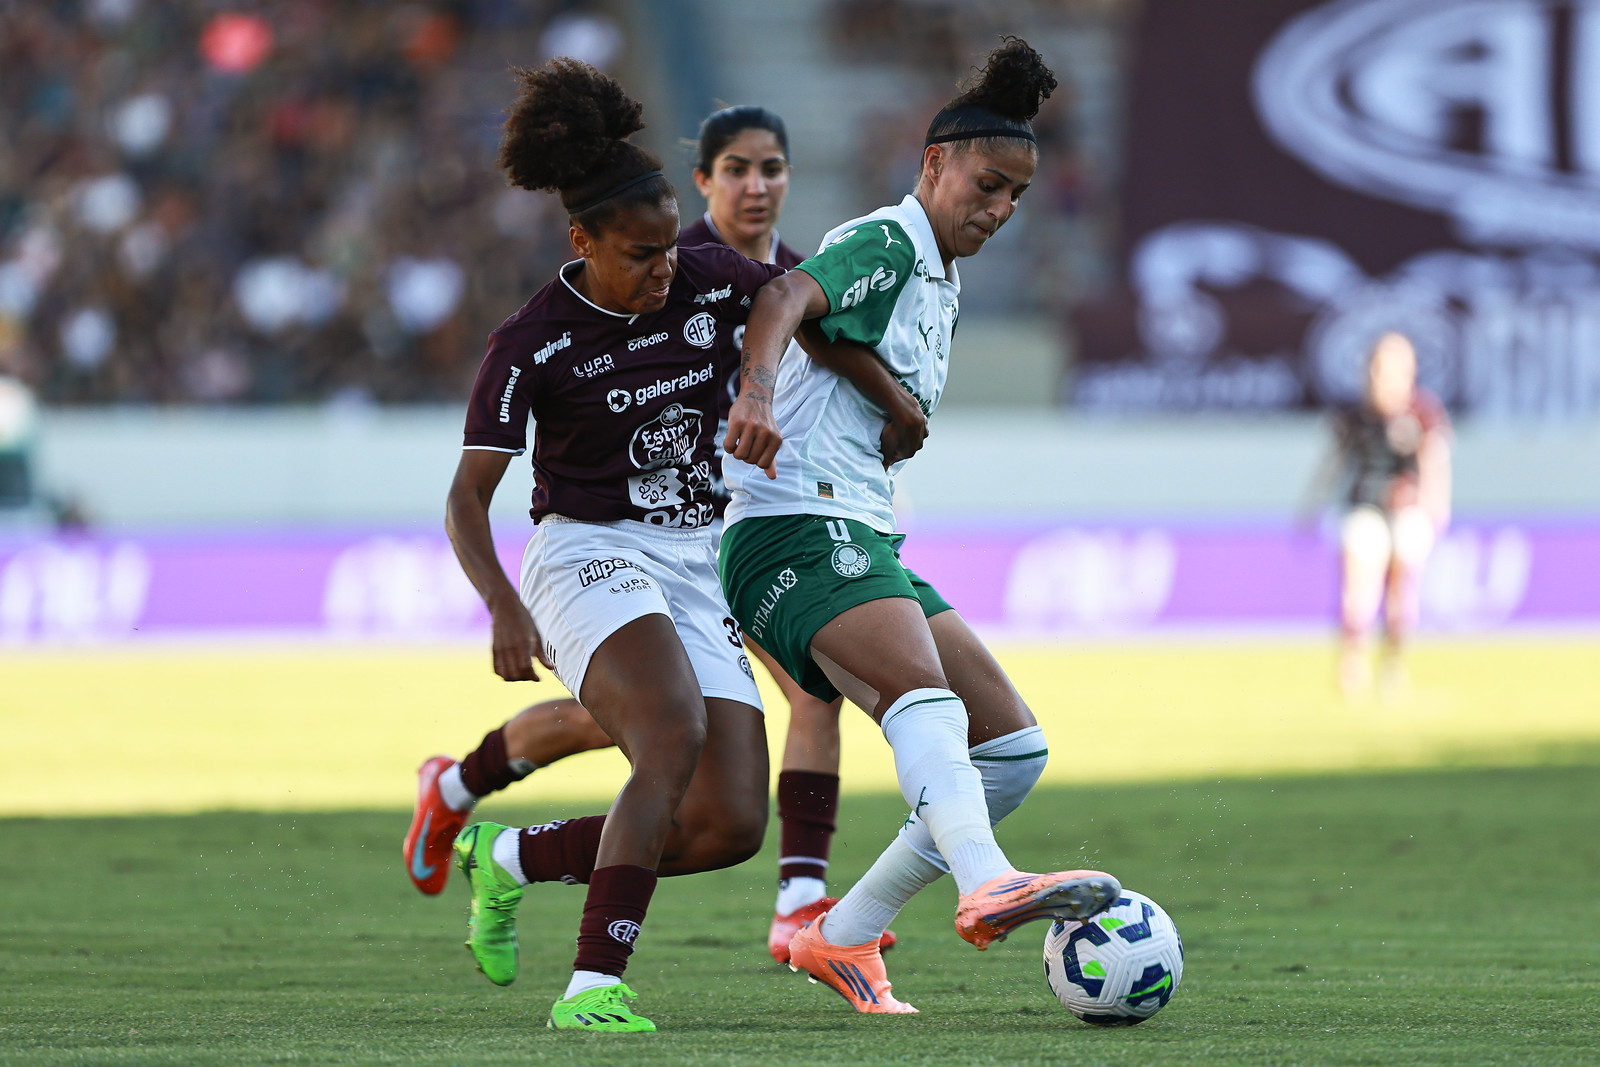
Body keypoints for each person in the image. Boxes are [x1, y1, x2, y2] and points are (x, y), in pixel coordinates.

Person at [422, 62, 921, 1033]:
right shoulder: (529, 344)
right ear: (581, 242)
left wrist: (887, 399)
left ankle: (507, 857)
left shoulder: (706, 279)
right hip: (584, 552)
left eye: (665, 252)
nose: (663, 271)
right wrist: (501, 604)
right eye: (640, 255)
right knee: (668, 733)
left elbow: (803, 310)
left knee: (728, 823)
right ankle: (591, 986)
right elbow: (464, 498)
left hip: (695, 557)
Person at [717, 37, 1121, 1015]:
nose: (999, 209)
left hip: (859, 531)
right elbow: (785, 296)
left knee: (1011, 751)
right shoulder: (893, 240)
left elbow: (836, 333)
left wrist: (894, 404)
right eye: (986, 184)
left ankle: (842, 933)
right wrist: (757, 394)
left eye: (1015, 195)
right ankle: (986, 881)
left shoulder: (935, 273)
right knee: (920, 693)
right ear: (934, 163)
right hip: (791, 525)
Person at [1316, 331, 1452, 696]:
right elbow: (1333, 465)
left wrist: (1436, 505)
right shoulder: (1353, 416)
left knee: (1400, 595)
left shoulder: (1423, 413)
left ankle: (1393, 665)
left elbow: (1433, 462)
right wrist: (1312, 505)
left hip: (1408, 511)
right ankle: (1352, 663)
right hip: (1363, 506)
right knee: (1357, 592)